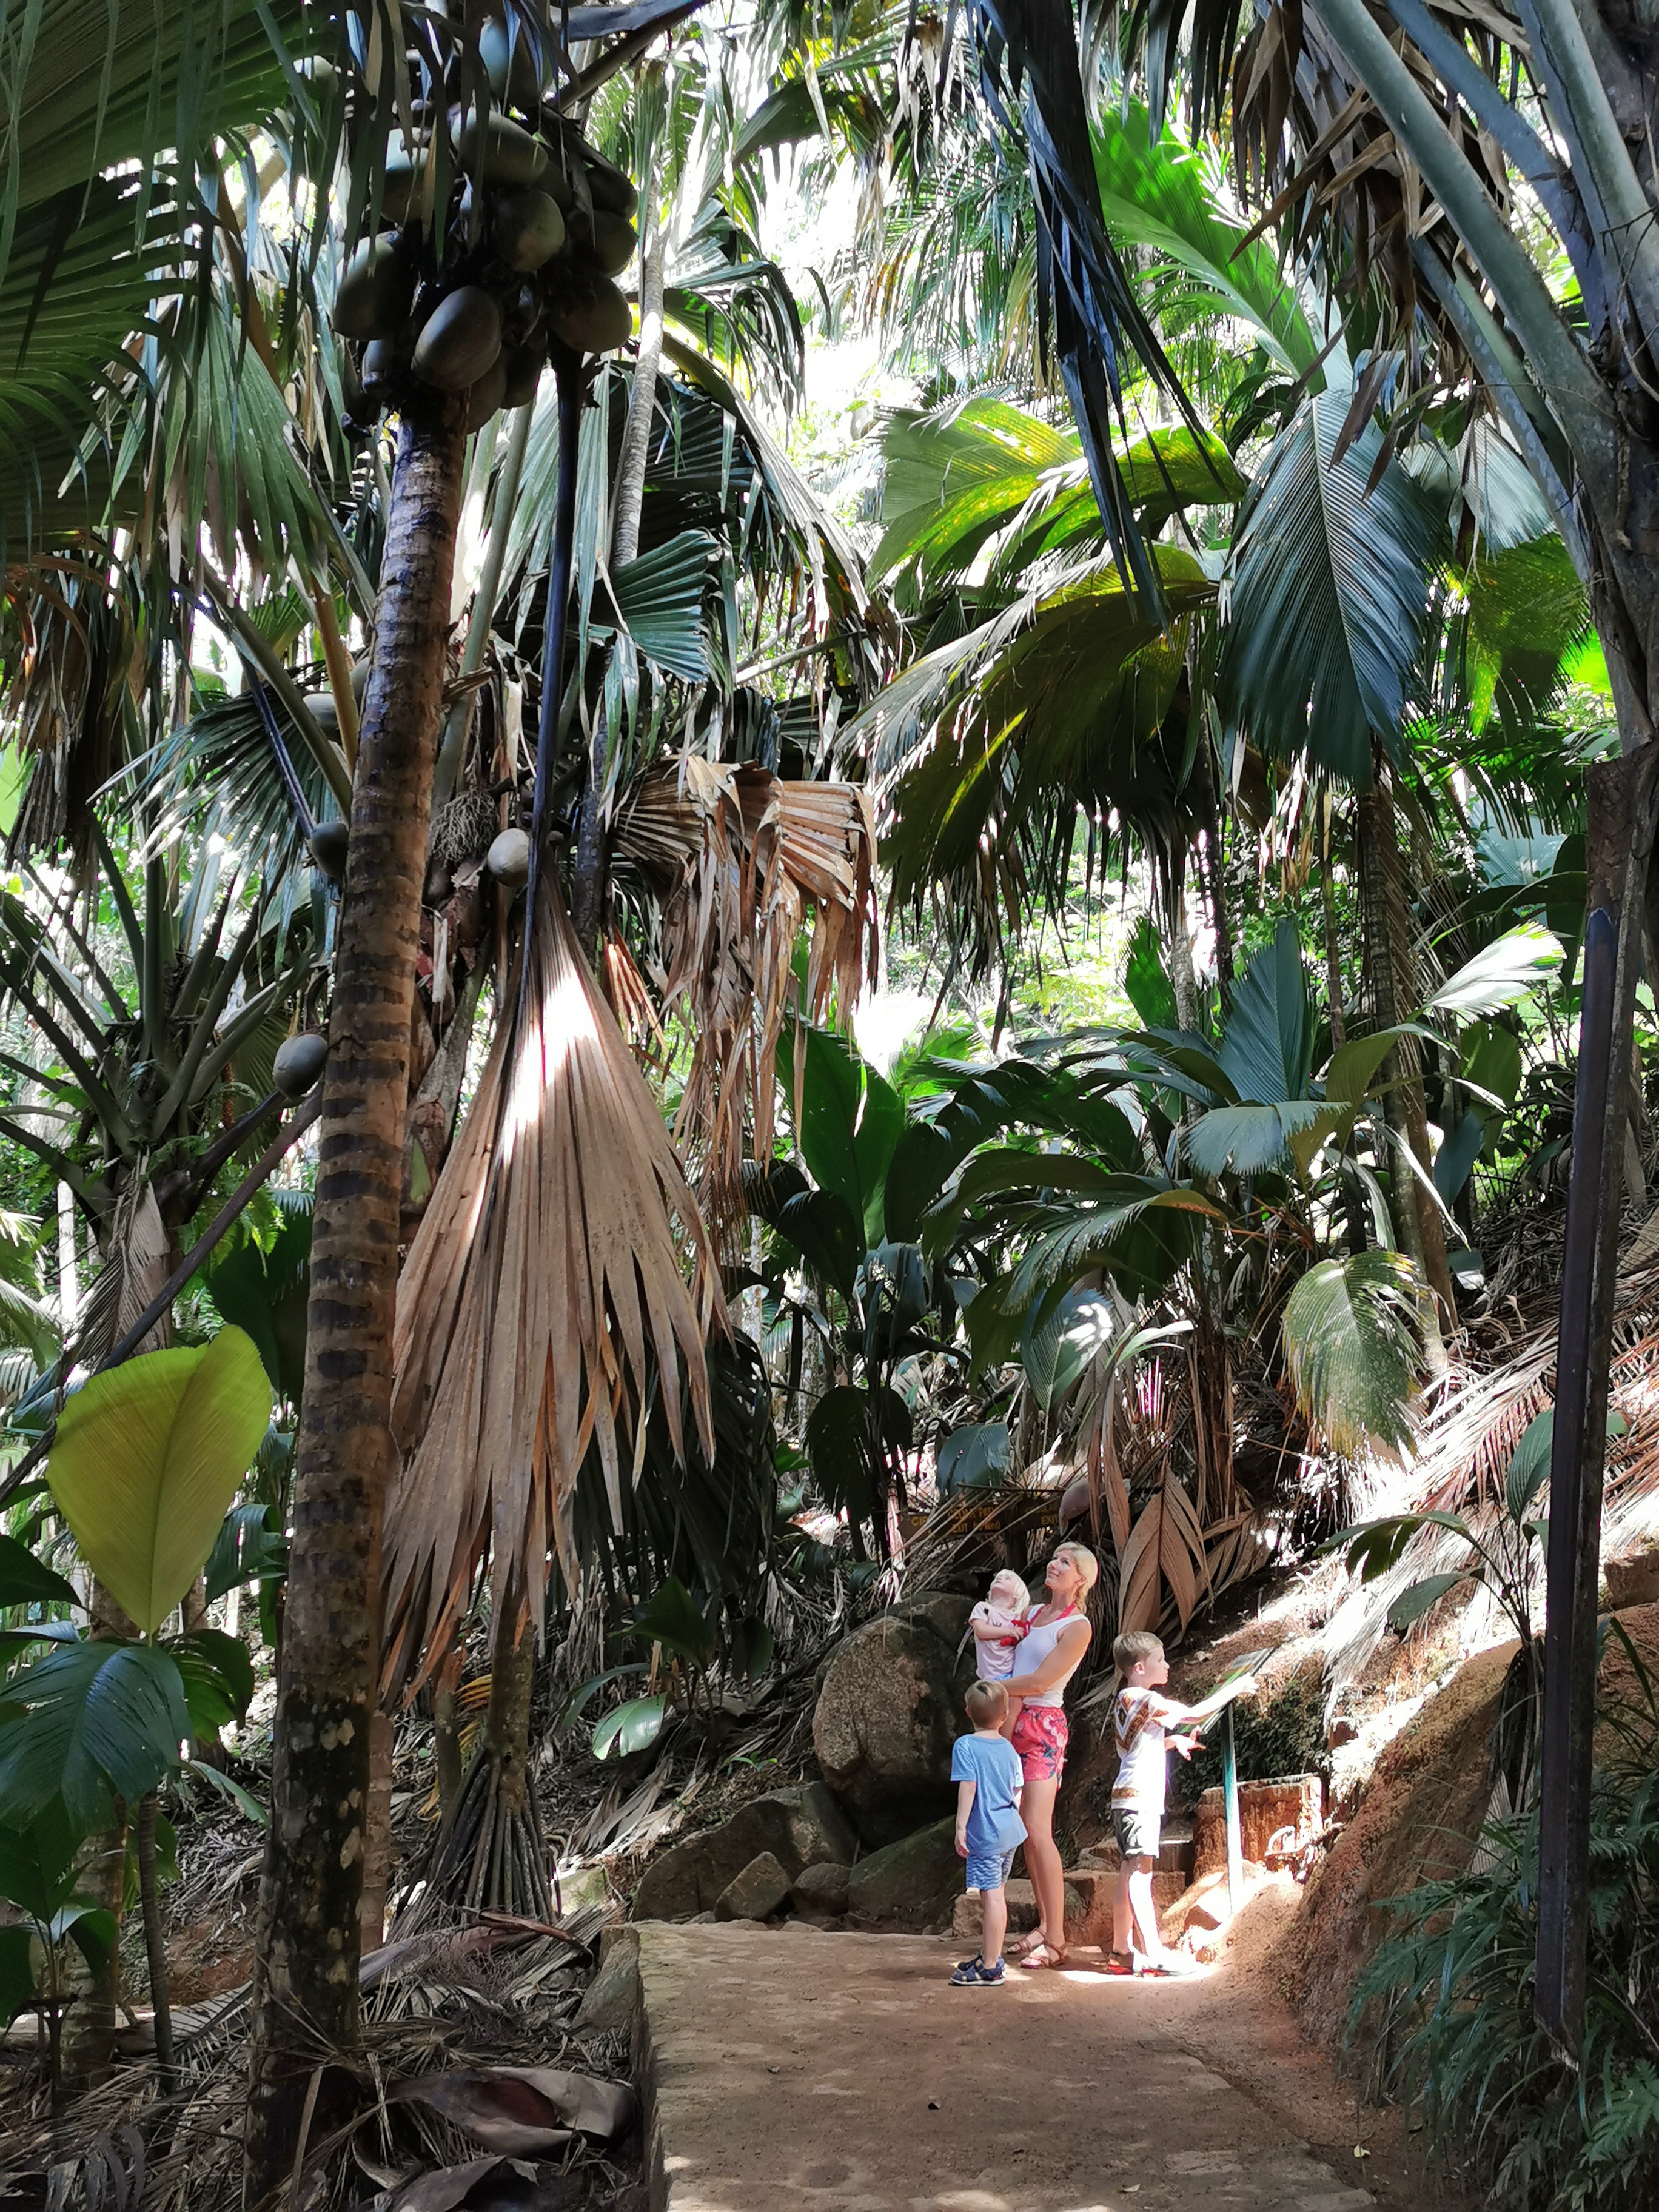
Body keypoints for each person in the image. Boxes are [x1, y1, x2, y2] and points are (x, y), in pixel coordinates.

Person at [1109, 1630, 1257, 1976]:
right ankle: (1154, 1953)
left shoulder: (1125, 1700)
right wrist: (1234, 1689)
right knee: (1140, 1875)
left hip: (1126, 1796)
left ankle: (1121, 1950)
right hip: (1139, 1797)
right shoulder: (1145, 1700)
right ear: (1141, 1667)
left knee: (1128, 1871)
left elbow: (1136, 1748)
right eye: (1161, 1660)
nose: (1167, 1665)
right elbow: (1193, 1714)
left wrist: (1172, 1741)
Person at [999, 1541, 1096, 1970]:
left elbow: (1040, 1681)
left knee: (1039, 1829)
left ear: (1081, 1580)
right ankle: (1043, 1923)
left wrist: (993, 1692)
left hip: (1043, 1727)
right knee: (1025, 1831)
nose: (1054, 1565)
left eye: (1066, 1562)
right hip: (1013, 1721)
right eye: (1054, 1558)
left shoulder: (1078, 1627)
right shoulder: (1033, 1616)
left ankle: (1057, 1938)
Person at [950, 1680, 1027, 1986]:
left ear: (967, 1711)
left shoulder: (966, 1746)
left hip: (986, 1834)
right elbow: (1017, 1790)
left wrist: (960, 1827)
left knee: (991, 1897)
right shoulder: (1008, 1748)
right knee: (998, 1893)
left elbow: (969, 1786)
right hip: (1009, 1830)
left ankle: (991, 1966)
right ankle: (989, 1953)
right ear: (1005, 1714)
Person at [968, 1568, 1031, 1683]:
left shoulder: (1018, 1617)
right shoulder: (984, 1608)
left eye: (1007, 1578)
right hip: (991, 1677)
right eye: (998, 1578)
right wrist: (1009, 1631)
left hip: (1014, 1673)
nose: (1000, 1578)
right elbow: (981, 1631)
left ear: (1018, 1594)